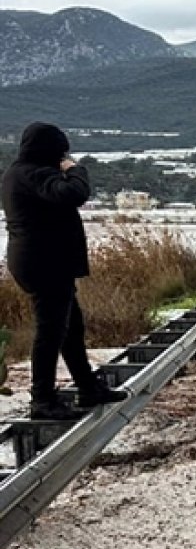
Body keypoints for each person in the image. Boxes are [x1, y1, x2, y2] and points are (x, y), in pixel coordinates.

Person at [1, 122, 128, 419]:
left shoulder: (16, 173)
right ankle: (42, 399)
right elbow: (74, 193)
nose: (63, 157)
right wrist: (74, 168)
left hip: (38, 261)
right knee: (51, 332)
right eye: (60, 152)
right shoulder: (36, 173)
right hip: (45, 263)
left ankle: (87, 386)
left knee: (70, 328)